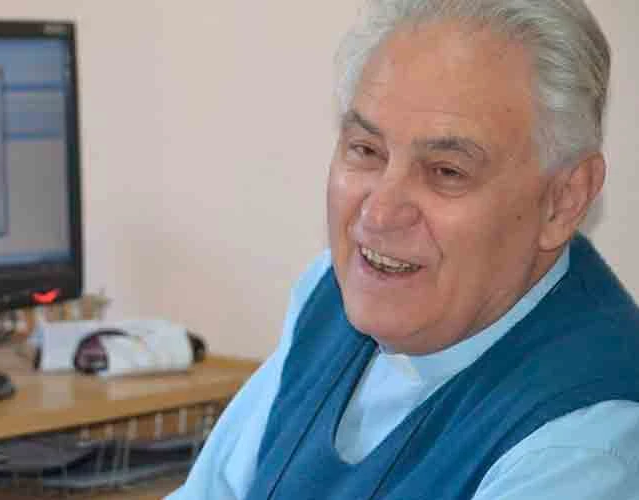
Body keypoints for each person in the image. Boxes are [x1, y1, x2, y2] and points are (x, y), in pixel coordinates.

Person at [167, 0, 639, 498]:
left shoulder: (585, 446)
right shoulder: (332, 292)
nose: (378, 214)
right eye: (366, 151)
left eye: (447, 172)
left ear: (564, 200)